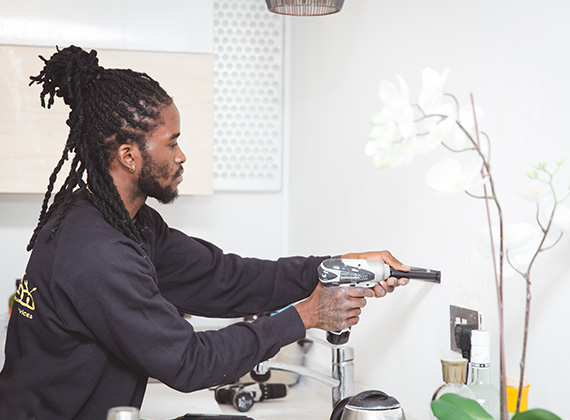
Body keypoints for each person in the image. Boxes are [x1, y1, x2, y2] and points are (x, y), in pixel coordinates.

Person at [0, 46, 409, 420]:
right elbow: (188, 361)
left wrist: (332, 267)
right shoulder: (99, 253)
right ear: (128, 156)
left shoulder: (123, 222)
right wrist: (306, 315)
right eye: (171, 143)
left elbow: (224, 279)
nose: (181, 156)